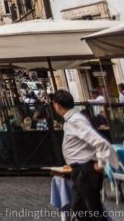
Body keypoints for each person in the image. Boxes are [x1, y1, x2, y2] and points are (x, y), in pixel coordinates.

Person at [50, 89, 119, 218]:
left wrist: (101, 163)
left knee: (91, 210)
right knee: (81, 208)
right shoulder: (73, 119)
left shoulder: (75, 121)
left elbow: (100, 142)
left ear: (56, 105)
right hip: (81, 170)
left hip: (85, 171)